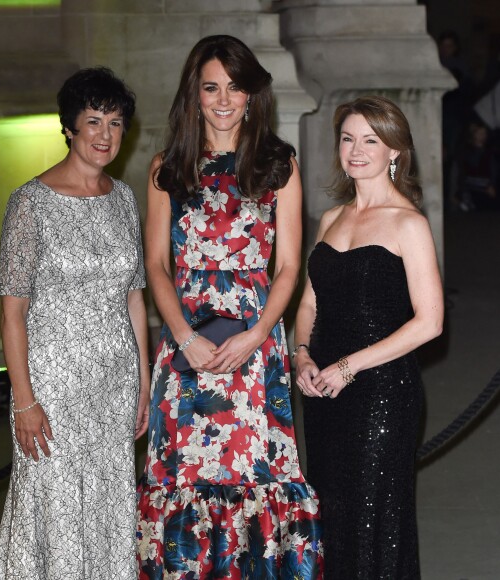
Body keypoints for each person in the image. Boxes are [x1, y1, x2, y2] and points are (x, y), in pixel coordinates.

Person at [136, 35, 323, 578]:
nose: (223, 99)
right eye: (211, 87)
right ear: (193, 95)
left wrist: (259, 335)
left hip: (255, 343)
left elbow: (289, 266)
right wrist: (185, 340)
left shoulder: (277, 163)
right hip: (185, 343)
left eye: (234, 87)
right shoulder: (165, 168)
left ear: (251, 95)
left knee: (256, 473)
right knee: (184, 477)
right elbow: (156, 267)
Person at [0, 67, 150, 579]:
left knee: (109, 503)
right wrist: (24, 400)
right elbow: (12, 310)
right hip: (53, 388)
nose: (106, 135)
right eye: (94, 121)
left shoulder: (123, 199)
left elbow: (134, 299)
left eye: (116, 123)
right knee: (54, 507)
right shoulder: (29, 203)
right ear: (69, 127)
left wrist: (144, 382)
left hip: (114, 383)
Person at [294, 95, 444, 579]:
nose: (356, 150)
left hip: (381, 392)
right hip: (322, 393)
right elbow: (310, 303)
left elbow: (429, 322)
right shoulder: (331, 219)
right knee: (331, 513)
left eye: (371, 140)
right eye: (347, 139)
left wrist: (347, 366)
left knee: (372, 520)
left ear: (395, 151)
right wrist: (301, 356)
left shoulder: (409, 224)